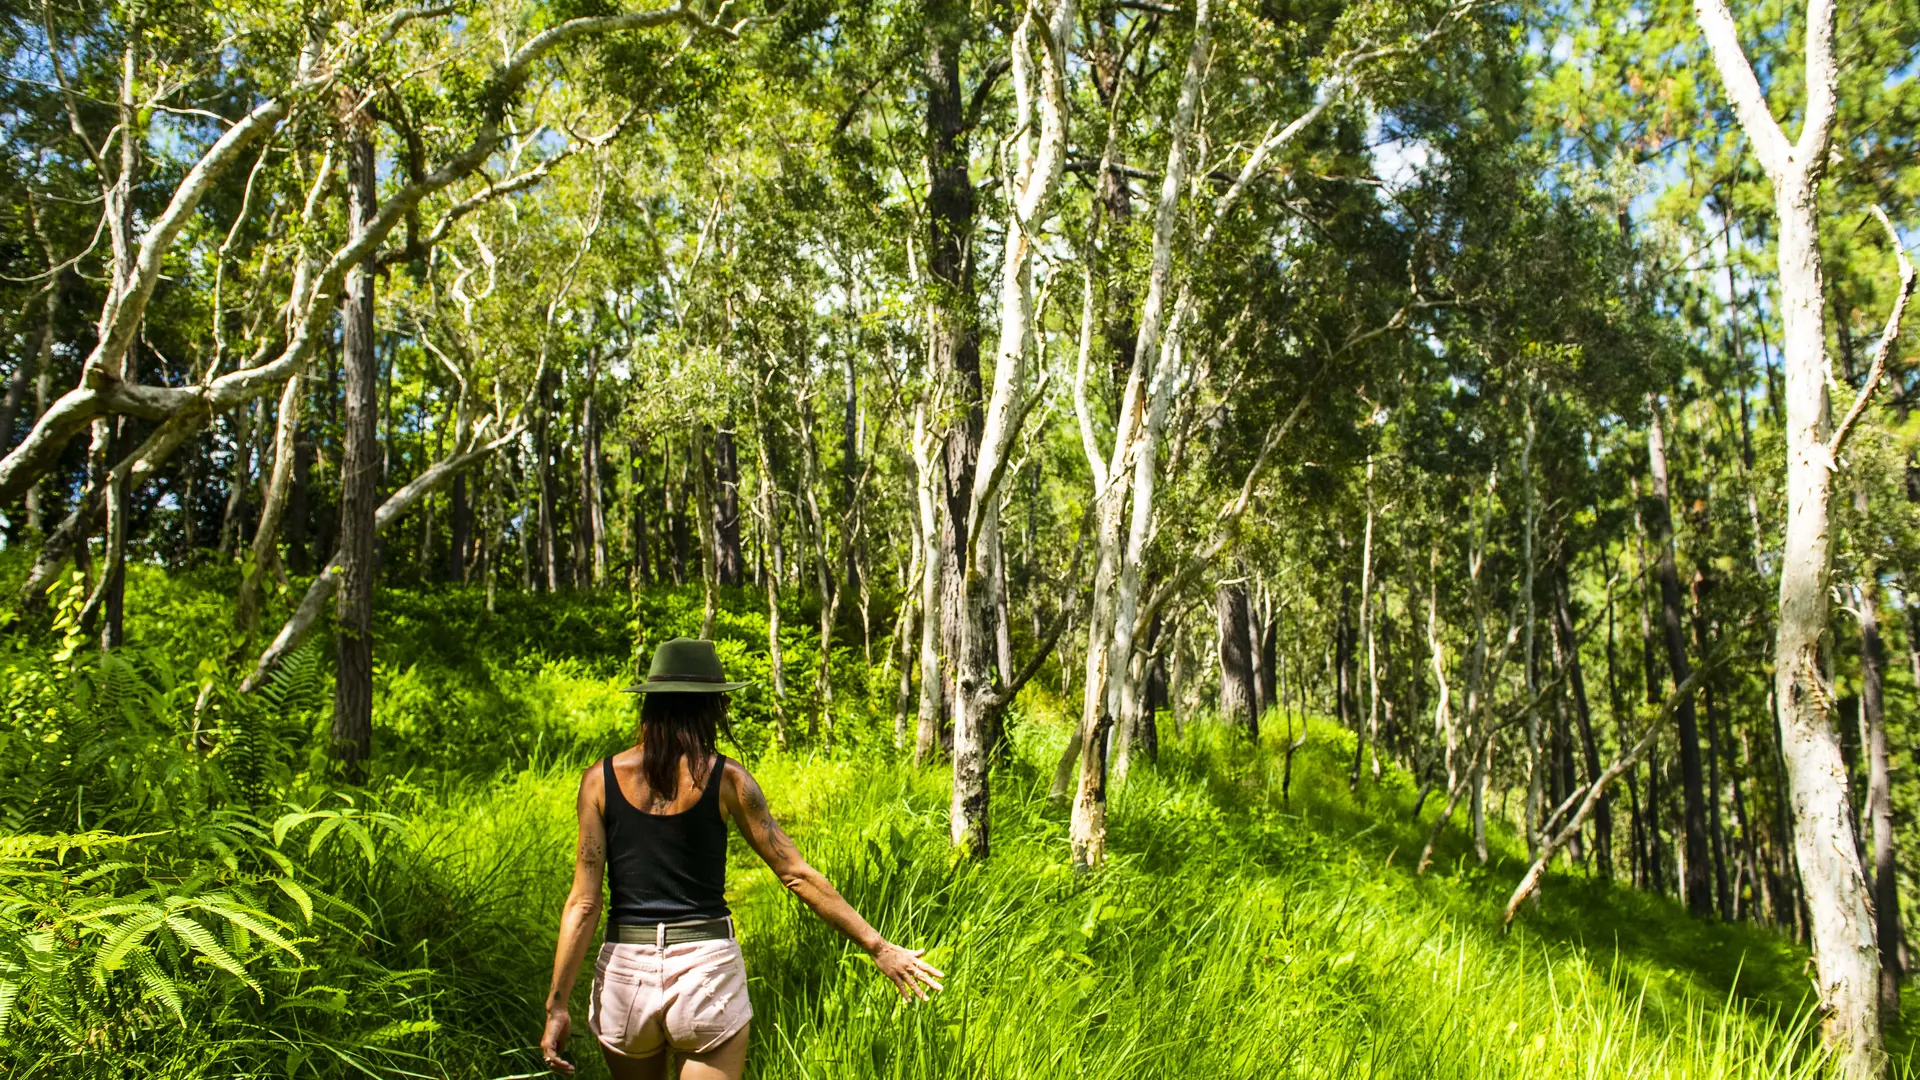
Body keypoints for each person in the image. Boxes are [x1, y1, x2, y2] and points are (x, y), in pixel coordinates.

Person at [539, 637, 943, 1078]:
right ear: (712, 707)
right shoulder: (728, 780)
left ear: (649, 704)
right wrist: (878, 947)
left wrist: (557, 1005)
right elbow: (796, 874)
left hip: (626, 975)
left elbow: (584, 902)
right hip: (704, 972)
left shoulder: (598, 781)